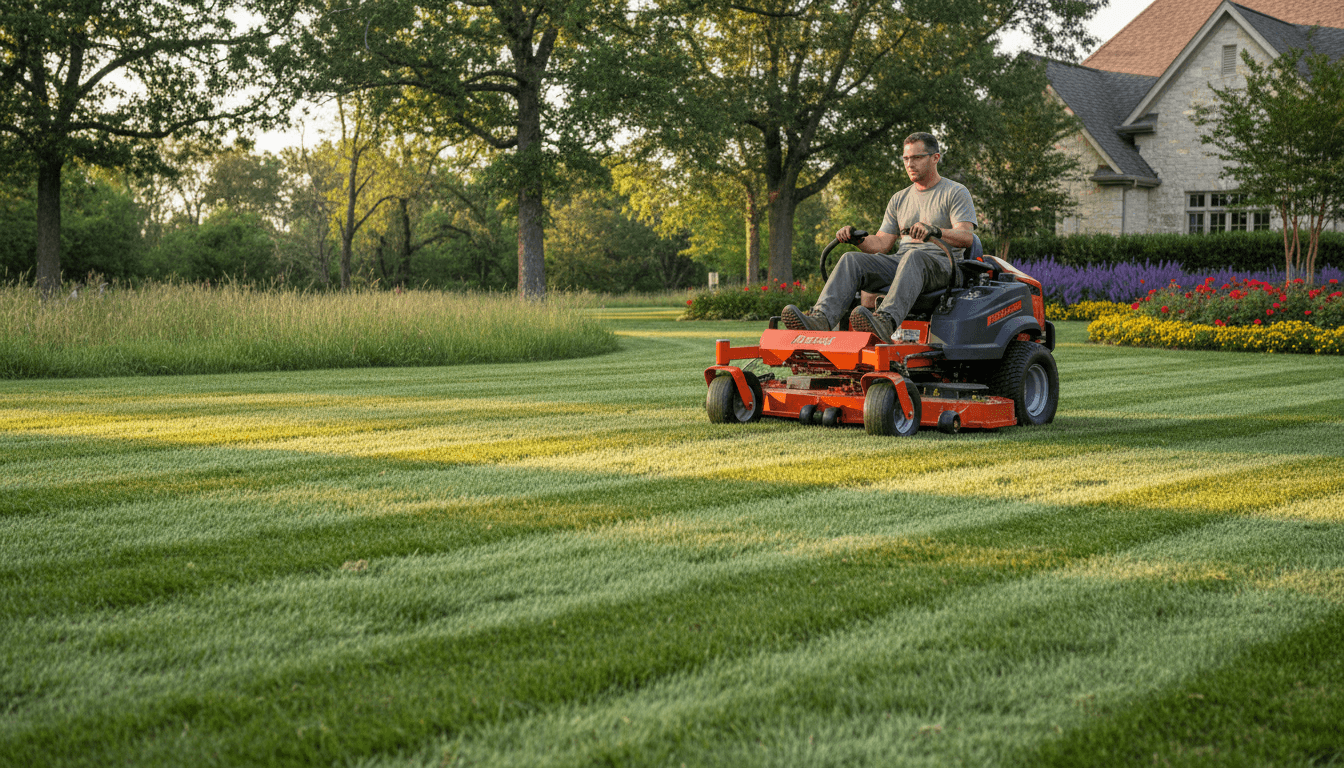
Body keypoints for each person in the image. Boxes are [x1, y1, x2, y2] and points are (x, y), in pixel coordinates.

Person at [781, 132, 977, 343]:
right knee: (851, 259)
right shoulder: (899, 199)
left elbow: (966, 237)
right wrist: (858, 240)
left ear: (935, 158)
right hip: (904, 263)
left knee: (913, 257)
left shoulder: (955, 192)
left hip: (944, 265)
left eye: (917, 158)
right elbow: (882, 243)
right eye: (906, 159)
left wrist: (936, 230)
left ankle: (884, 322)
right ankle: (820, 320)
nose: (910, 164)